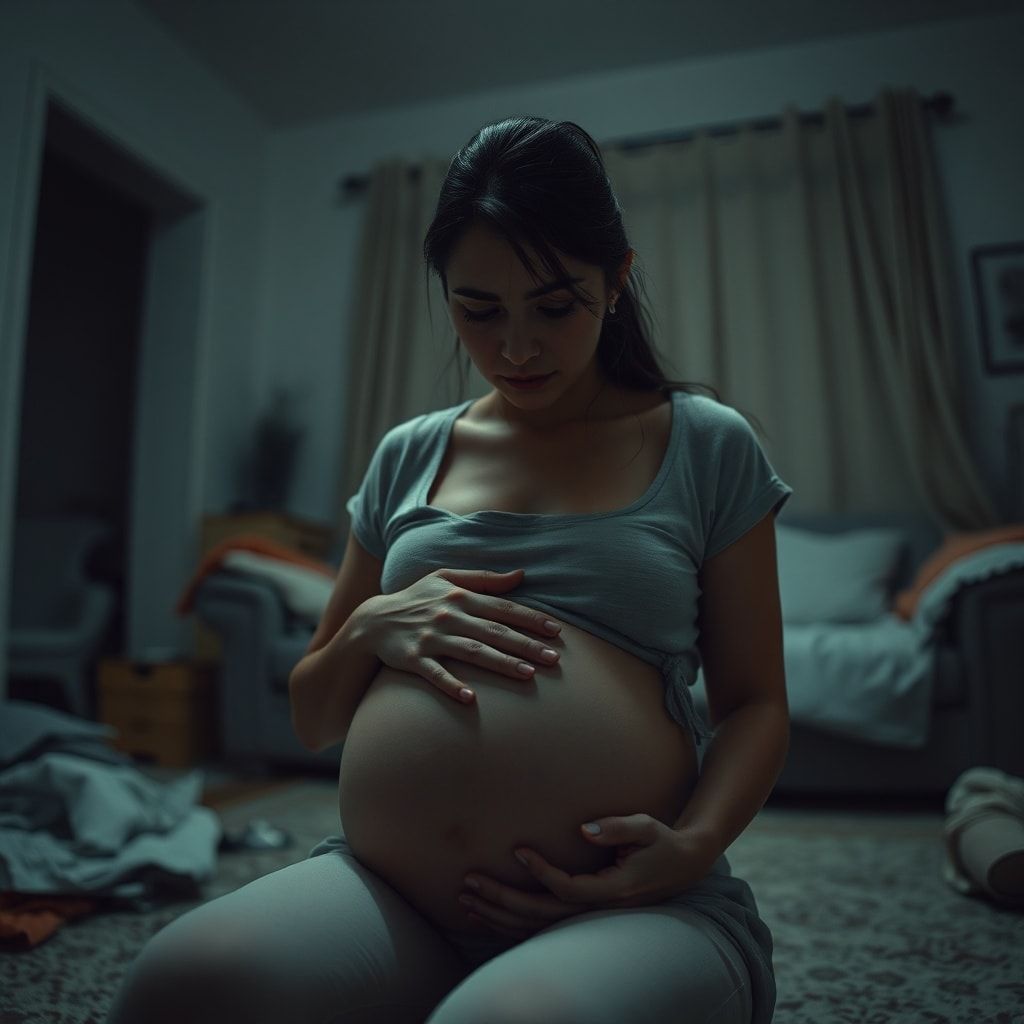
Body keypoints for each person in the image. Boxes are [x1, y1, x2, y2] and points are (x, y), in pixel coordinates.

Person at [106, 117, 792, 1024]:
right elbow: (315, 715)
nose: (516, 348)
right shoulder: (409, 454)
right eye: (479, 310)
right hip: (397, 900)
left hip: (636, 903)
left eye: (554, 306)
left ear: (616, 279)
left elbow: (756, 705)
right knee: (175, 984)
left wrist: (693, 845)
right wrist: (367, 628)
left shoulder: (706, 443)